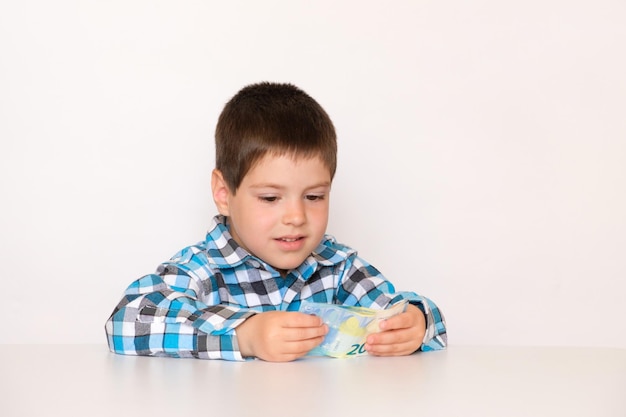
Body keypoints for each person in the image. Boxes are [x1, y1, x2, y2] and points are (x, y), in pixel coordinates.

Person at [105, 82, 447, 362]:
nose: (296, 217)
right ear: (224, 193)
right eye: (270, 198)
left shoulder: (337, 268)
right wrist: (246, 335)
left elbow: (407, 311)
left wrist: (415, 323)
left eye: (314, 197)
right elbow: (127, 321)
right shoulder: (204, 269)